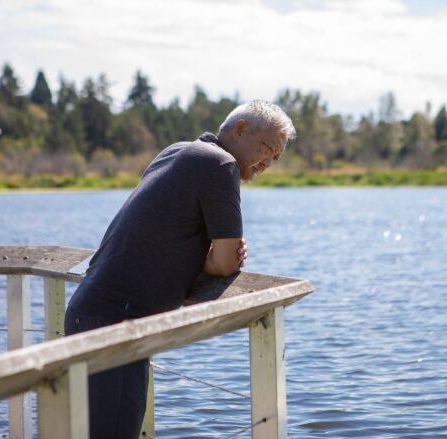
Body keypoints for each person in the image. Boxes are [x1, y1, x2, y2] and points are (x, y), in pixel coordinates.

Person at [64, 100, 296, 438]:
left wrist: (202, 256)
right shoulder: (221, 165)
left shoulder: (179, 151)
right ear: (240, 129)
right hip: (116, 323)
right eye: (265, 148)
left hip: (90, 311)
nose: (267, 163)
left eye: (275, 158)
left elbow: (174, 238)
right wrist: (210, 261)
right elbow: (228, 261)